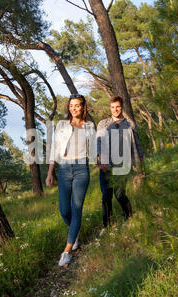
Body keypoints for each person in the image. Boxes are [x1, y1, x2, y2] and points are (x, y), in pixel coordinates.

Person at [45, 94, 95, 267]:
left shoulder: (89, 126)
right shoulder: (62, 125)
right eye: (72, 105)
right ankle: (75, 233)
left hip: (82, 168)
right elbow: (54, 150)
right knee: (65, 210)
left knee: (77, 208)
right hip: (64, 168)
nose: (74, 108)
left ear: (83, 107)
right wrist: (50, 172)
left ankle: (67, 250)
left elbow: (95, 148)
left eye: (78, 105)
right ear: (69, 107)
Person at [96, 96, 145, 229]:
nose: (115, 109)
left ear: (122, 107)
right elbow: (98, 143)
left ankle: (130, 216)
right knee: (106, 196)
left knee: (120, 194)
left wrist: (141, 165)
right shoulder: (103, 124)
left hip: (122, 165)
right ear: (110, 107)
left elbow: (138, 146)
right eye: (112, 107)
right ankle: (107, 226)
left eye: (117, 107)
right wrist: (102, 162)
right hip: (106, 165)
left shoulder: (130, 125)